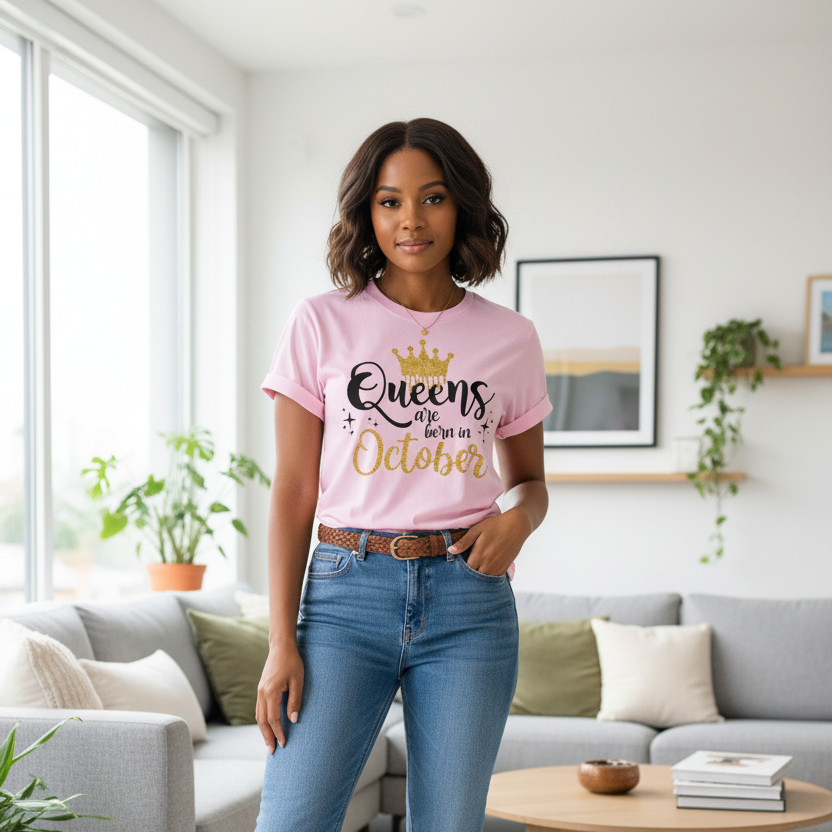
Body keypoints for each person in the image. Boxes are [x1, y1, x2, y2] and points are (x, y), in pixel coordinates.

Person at [255, 117, 553, 832]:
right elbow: (294, 492)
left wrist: (519, 519)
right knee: (292, 821)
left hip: (468, 603)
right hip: (344, 597)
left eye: (433, 198)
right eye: (389, 201)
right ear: (366, 212)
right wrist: (279, 642)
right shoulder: (321, 322)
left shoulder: (510, 338)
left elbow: (531, 484)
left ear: (464, 208)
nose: (410, 220)